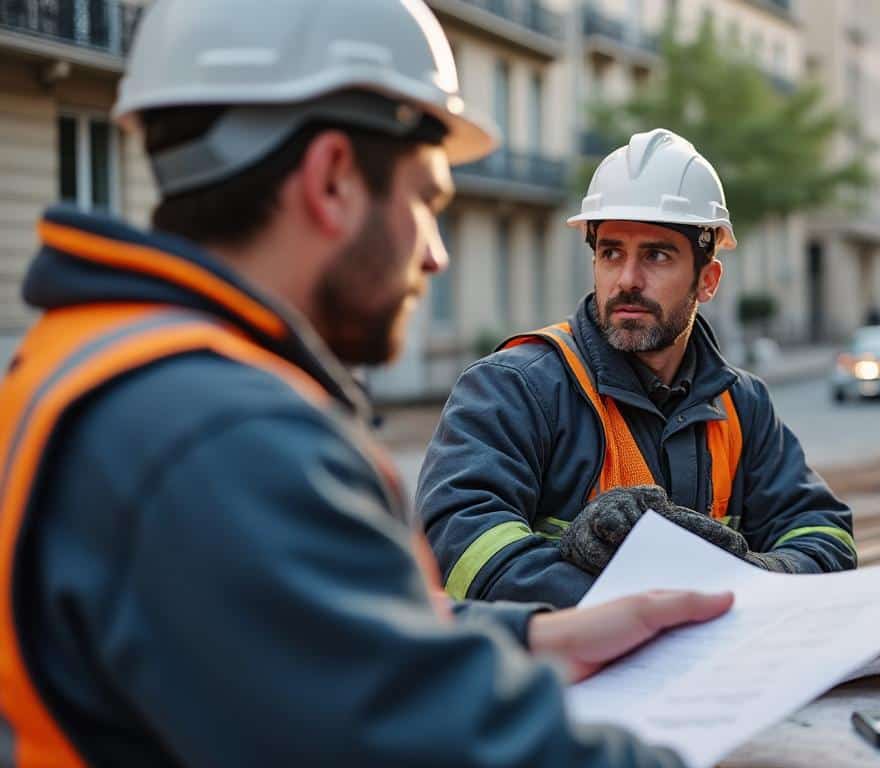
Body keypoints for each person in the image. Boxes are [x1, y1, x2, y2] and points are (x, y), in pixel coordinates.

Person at [0, 1, 730, 765]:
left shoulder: (100, 361)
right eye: (425, 200)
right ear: (334, 180)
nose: (435, 254)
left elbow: (316, 642)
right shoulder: (222, 437)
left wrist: (536, 634)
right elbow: (441, 745)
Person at [417, 129, 855, 606]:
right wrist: (646, 609)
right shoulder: (514, 388)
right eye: (611, 253)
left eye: (656, 255)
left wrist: (758, 573)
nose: (627, 280)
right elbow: (459, 551)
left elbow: (827, 538)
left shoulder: (741, 406)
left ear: (707, 280)